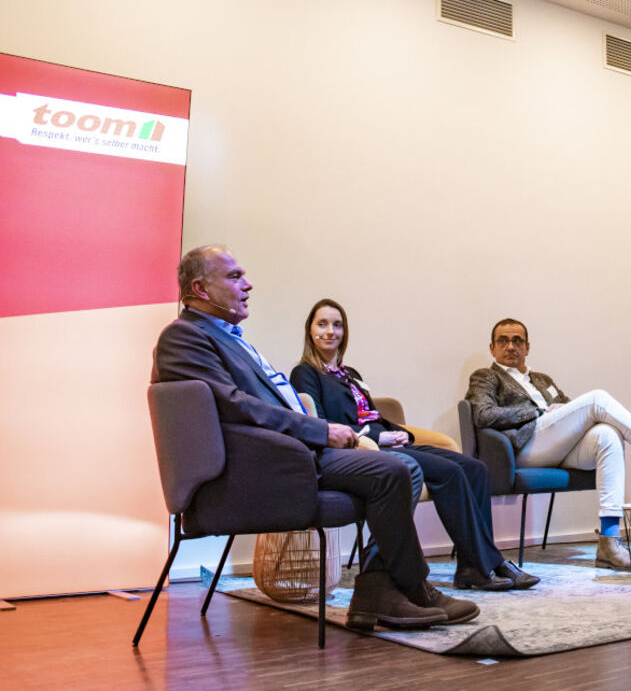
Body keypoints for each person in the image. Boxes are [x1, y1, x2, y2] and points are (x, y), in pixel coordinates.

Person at [152, 245, 479, 629]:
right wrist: (321, 431)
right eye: (235, 276)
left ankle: (380, 593)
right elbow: (236, 405)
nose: (249, 284)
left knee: (402, 468)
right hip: (266, 464)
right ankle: (410, 590)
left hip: (288, 450)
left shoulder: (225, 336)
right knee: (396, 470)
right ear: (201, 289)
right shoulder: (184, 337)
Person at [290, 299, 539, 592]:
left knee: (474, 468)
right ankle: (485, 564)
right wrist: (379, 437)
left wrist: (400, 433)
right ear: (310, 330)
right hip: (363, 452)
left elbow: (373, 416)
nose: (330, 331)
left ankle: (472, 565)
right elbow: (324, 425)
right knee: (451, 473)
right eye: (322, 324)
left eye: (337, 324)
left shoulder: (350, 375)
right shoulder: (306, 373)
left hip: (388, 443)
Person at [466, 318, 631, 571]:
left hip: (556, 445)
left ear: (527, 347)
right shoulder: (485, 376)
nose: (510, 346)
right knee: (598, 398)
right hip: (523, 447)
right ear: (492, 348)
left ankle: (609, 541)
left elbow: (574, 411)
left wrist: (561, 410)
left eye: (517, 341)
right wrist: (538, 412)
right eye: (503, 341)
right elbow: (482, 414)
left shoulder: (541, 379)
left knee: (607, 434)